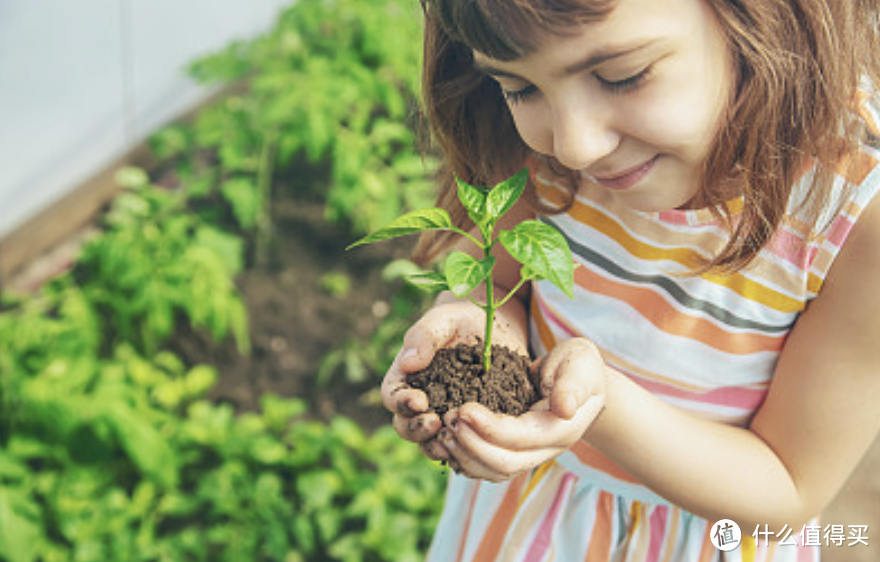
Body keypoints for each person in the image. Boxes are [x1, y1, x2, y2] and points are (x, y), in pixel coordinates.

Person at [381, 0, 880, 560]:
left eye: (622, 76)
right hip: (532, 517)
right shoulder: (538, 151)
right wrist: (474, 324)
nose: (574, 145)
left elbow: (789, 485)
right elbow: (493, 280)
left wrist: (594, 406)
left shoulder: (852, 217)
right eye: (518, 89)